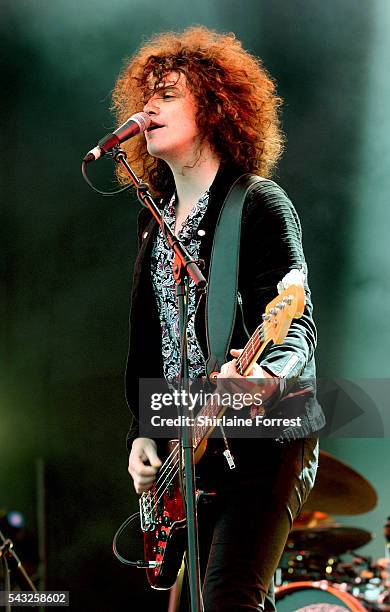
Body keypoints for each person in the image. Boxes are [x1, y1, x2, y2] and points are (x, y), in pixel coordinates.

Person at [113, 26, 323, 611]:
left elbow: (295, 318)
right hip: (193, 440)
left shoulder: (258, 202)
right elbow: (150, 347)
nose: (148, 107)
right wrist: (143, 435)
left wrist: (263, 376)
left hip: (265, 436)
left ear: (214, 108)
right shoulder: (154, 222)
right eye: (145, 96)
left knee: (232, 597)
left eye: (168, 94)